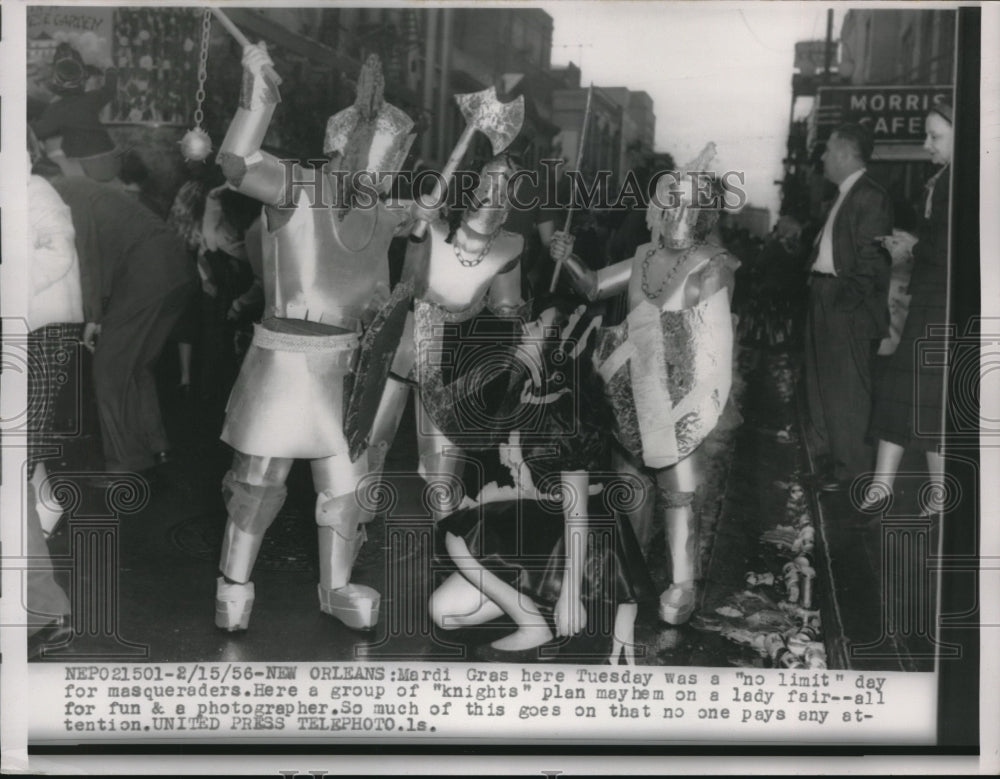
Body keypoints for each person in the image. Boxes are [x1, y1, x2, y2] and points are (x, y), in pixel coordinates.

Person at [211, 46, 421, 633]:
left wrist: (423, 228)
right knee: (258, 483)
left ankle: (336, 586)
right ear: (342, 149)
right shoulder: (296, 186)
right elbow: (235, 162)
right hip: (282, 361)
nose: (376, 182)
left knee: (345, 489)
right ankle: (233, 583)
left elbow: (397, 284)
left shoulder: (383, 213)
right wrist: (259, 91)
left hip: (346, 367)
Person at [548, 143, 740, 626]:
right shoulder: (641, 254)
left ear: (703, 212)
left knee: (678, 492)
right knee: (629, 485)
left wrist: (695, 406)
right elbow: (593, 287)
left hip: (680, 396)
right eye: (670, 200)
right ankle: (628, 570)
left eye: (686, 203)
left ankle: (682, 583)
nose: (675, 210)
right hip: (630, 388)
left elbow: (715, 349)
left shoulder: (713, 265)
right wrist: (568, 258)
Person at [430, 306, 655, 662]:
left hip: (577, 539)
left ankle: (537, 622)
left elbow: (577, 513)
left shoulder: (568, 410)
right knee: (444, 612)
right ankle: (538, 605)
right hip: (544, 523)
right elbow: (530, 483)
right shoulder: (528, 393)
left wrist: (570, 595)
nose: (527, 326)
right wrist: (492, 497)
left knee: (457, 535)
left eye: (538, 324)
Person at [365, 155, 528, 519]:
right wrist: (411, 210)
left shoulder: (511, 245)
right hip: (401, 341)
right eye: (489, 177)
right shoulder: (434, 221)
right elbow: (378, 221)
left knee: (444, 457)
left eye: (505, 182)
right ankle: (353, 528)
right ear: (474, 179)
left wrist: (526, 322)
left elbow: (505, 307)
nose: (493, 188)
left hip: (452, 354)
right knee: (371, 438)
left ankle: (449, 537)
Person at [46, 173, 198, 477]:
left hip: (147, 269)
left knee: (109, 367)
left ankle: (126, 462)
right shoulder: (84, 189)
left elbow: (86, 258)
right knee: (137, 367)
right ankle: (157, 446)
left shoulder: (63, 194)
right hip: (175, 267)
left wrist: (93, 317)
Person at [863, 101, 953, 514]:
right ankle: (886, 488)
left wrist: (912, 246)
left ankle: (933, 493)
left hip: (944, 305)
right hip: (931, 301)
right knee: (911, 394)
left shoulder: (962, 182)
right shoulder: (945, 178)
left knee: (926, 399)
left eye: (935, 136)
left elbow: (955, 248)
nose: (925, 144)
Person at [801, 123, 893, 493]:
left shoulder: (870, 196)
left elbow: (872, 262)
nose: (822, 157)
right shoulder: (843, 194)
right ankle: (830, 465)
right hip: (825, 296)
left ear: (847, 153)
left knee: (848, 390)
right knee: (821, 384)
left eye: (827, 150)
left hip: (845, 304)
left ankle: (850, 472)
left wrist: (843, 302)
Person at [26, 135, 84, 538]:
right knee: (22, 426)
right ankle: (44, 510)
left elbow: (57, 251)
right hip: (26, 323)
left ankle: (33, 525)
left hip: (47, 325)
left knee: (28, 424)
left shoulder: (36, 191)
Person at [31, 43, 120, 181]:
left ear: (56, 81)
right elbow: (110, 89)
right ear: (82, 79)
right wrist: (110, 68)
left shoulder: (56, 109)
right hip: (112, 159)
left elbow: (38, 132)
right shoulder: (92, 98)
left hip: (87, 165)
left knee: (54, 155)